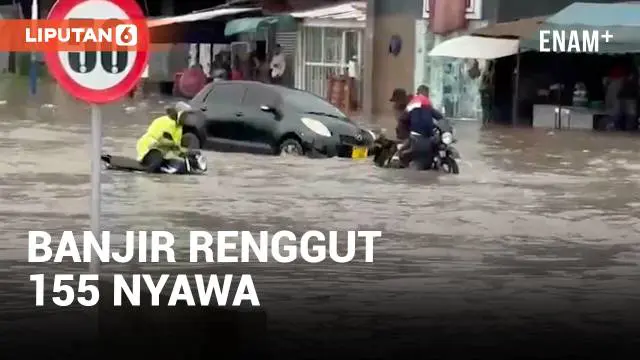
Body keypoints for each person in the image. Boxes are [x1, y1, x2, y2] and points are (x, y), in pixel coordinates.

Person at [136, 102, 191, 173]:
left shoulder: (179, 128)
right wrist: (174, 145)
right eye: (185, 115)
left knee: (180, 164)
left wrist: (183, 152)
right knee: (156, 163)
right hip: (149, 149)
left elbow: (175, 147)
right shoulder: (165, 121)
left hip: (161, 152)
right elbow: (161, 141)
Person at [396, 85, 443, 167]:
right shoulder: (424, 103)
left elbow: (403, 118)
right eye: (427, 93)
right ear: (424, 93)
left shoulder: (414, 103)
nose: (428, 95)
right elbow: (438, 116)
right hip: (422, 135)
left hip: (417, 134)